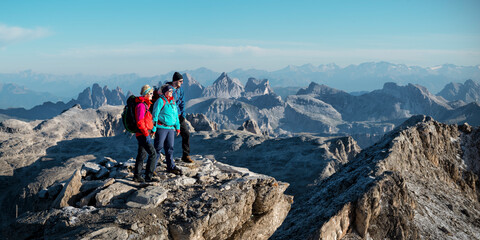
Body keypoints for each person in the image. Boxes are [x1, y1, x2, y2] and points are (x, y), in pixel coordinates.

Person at [151, 84, 183, 175]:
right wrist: (153, 128)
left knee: (170, 148)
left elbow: (175, 115)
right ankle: (152, 168)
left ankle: (171, 167)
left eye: (172, 91)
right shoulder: (160, 101)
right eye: (169, 91)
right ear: (165, 92)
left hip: (171, 128)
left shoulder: (173, 101)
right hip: (161, 128)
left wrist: (178, 127)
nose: (171, 93)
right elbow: (155, 115)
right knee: (158, 148)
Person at [167, 72, 194, 163]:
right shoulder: (167, 89)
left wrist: (183, 115)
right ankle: (165, 158)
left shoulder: (180, 89)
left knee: (186, 133)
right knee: (166, 138)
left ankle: (186, 155)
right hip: (169, 116)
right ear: (175, 81)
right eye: (181, 81)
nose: (182, 83)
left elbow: (182, 102)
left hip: (178, 116)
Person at [133, 85, 157, 182]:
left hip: (143, 133)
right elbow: (140, 121)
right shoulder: (141, 105)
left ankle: (137, 176)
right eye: (150, 93)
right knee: (153, 154)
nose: (152, 95)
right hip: (143, 134)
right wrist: (146, 134)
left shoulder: (144, 104)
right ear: (146, 94)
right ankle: (148, 177)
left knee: (142, 154)